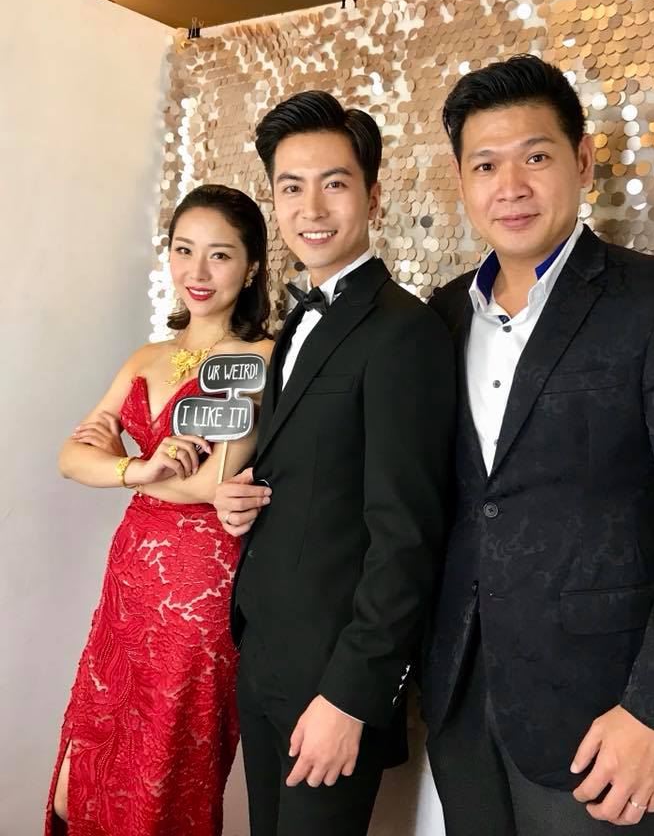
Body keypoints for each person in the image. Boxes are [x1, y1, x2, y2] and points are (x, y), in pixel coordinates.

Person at [423, 54, 654, 835]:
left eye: (536, 156)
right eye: (486, 164)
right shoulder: (441, 315)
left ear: (582, 161)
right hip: (460, 700)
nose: (510, 185)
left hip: (604, 717)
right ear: (462, 181)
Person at [214, 90, 456, 836]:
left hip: (331, 680)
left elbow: (408, 536)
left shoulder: (404, 332)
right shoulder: (298, 323)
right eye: (291, 187)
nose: (311, 208)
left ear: (373, 196)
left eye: (335, 183)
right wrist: (241, 498)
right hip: (264, 655)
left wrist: (352, 696)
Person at [46, 184, 274, 836]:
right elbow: (70, 456)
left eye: (220, 255)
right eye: (183, 250)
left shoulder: (260, 357)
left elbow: (212, 482)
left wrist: (124, 469)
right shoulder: (146, 357)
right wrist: (140, 470)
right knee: (75, 792)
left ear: (251, 267)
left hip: (198, 589)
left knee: (160, 781)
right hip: (128, 585)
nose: (197, 271)